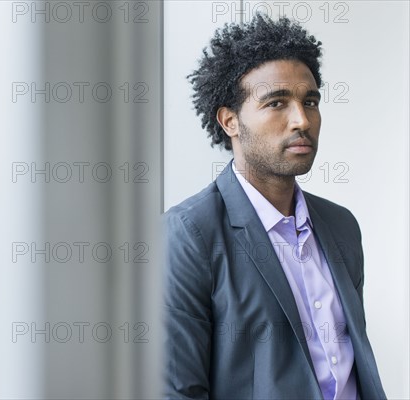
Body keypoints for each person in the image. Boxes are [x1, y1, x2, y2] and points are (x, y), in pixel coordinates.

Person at [162, 14, 386, 399]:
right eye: (277, 103)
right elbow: (177, 391)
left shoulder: (341, 225)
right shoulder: (187, 234)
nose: (302, 119)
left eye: (310, 101)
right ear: (230, 121)